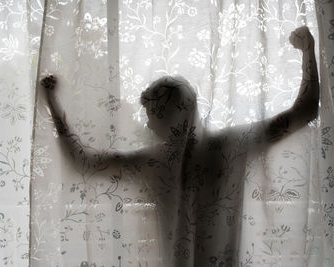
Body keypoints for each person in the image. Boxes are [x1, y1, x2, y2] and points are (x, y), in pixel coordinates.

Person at [40, 26, 319, 266]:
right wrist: (308, 51)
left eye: (152, 117)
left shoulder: (156, 161)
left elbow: (84, 162)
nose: (148, 127)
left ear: (169, 115)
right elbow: (303, 112)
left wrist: (53, 104)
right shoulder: (232, 145)